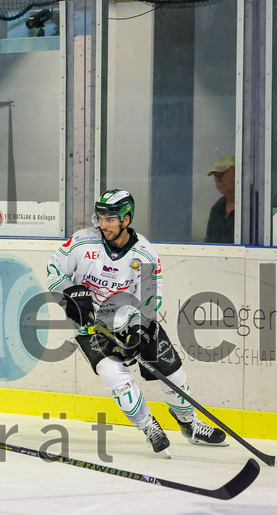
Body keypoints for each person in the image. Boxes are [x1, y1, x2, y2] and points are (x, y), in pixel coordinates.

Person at [47, 189, 228, 455]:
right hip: (90, 326)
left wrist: (139, 330)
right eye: (100, 218)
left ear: (127, 219)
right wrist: (70, 294)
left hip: (131, 320)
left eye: (110, 219)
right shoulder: (82, 242)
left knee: (173, 374)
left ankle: (190, 424)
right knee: (115, 378)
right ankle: (148, 426)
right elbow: (54, 271)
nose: (103, 225)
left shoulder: (144, 254)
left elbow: (150, 300)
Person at [205, 155, 235, 244]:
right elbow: (208, 243)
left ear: (237, 173)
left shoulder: (255, 205)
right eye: (215, 175)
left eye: (222, 174)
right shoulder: (217, 209)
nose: (218, 179)